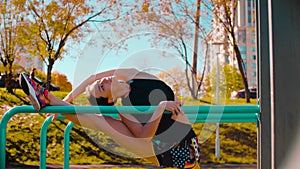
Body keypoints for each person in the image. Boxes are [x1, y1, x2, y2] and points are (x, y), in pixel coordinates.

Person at [19, 68, 200, 169]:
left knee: (98, 119)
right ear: (110, 99)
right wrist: (160, 109)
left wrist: (69, 98)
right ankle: (47, 98)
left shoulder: (134, 75)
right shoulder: (125, 110)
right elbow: (144, 135)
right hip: (167, 153)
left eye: (102, 82)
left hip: (187, 147)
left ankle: (50, 100)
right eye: (101, 87)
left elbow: (91, 76)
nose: (103, 80)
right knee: (100, 120)